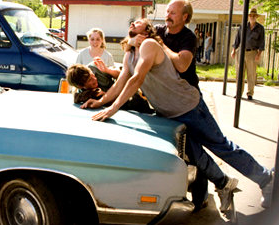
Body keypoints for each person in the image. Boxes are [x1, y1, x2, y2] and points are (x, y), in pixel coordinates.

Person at [81, 18, 274, 212]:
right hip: (169, 114)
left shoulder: (149, 45)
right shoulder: (129, 54)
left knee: (220, 146)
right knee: (195, 155)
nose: (132, 23)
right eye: (131, 22)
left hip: (189, 107)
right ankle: (224, 185)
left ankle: (266, 179)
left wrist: (112, 109)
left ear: (146, 31)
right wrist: (100, 102)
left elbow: (137, 78)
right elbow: (120, 83)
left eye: (138, 22)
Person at [154, 0, 207, 210]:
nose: (167, 15)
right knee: (168, 146)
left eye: (173, 12)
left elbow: (183, 65)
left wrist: (161, 46)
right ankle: (168, 191)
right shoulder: (158, 31)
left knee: (195, 146)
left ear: (185, 17)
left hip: (188, 100)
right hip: (165, 99)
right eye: (167, 11)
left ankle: (200, 195)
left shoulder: (188, 37)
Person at [66, 61, 154, 113]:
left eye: (92, 75)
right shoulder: (83, 97)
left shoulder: (96, 69)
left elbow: (124, 76)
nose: (94, 79)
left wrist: (108, 71)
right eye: (89, 80)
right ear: (81, 86)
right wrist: (104, 97)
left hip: (134, 96)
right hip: (125, 108)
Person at [231, 8, 265, 101]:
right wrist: (233, 50)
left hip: (252, 52)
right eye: (250, 15)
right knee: (239, 73)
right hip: (241, 52)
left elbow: (262, 42)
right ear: (248, 16)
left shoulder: (260, 28)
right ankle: (238, 93)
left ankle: (250, 93)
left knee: (251, 74)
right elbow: (237, 38)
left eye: (254, 15)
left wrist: (259, 54)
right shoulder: (243, 26)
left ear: (256, 17)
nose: (252, 17)